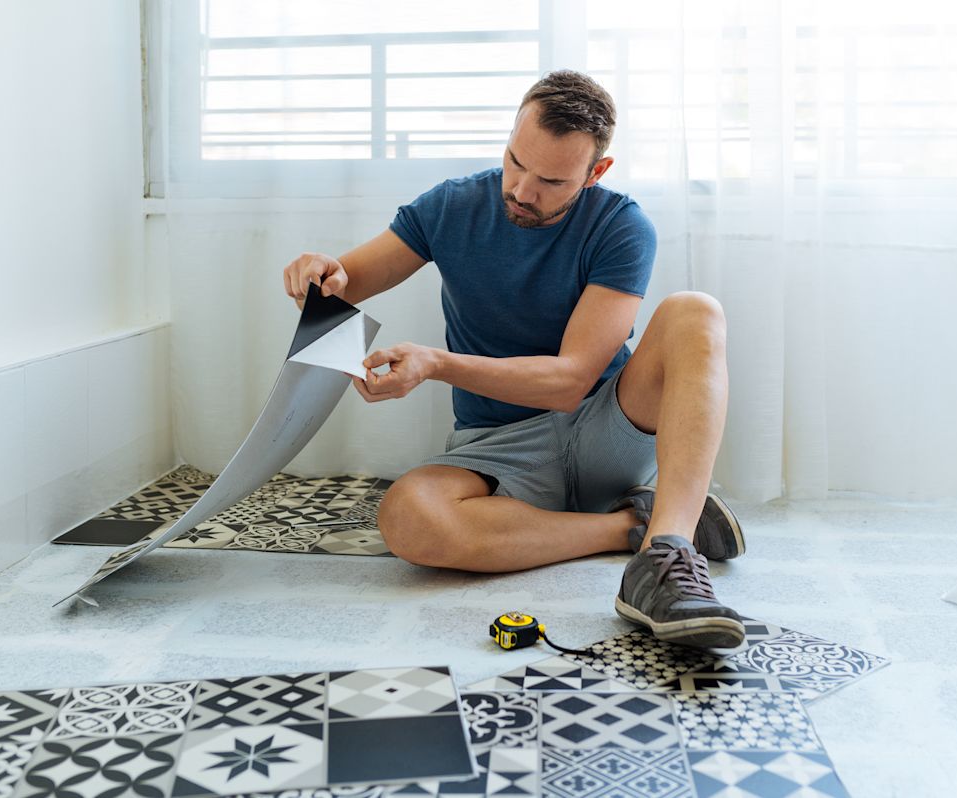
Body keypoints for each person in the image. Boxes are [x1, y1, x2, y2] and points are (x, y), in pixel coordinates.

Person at [282, 70, 746, 648]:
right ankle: (635, 526)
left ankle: (668, 555)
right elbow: (345, 285)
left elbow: (569, 383)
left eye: (552, 180)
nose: (524, 191)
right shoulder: (450, 207)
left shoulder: (621, 225)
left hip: (609, 425)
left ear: (596, 172)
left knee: (694, 311)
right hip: (498, 442)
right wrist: (321, 273)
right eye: (515, 162)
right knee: (407, 518)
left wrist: (438, 363)